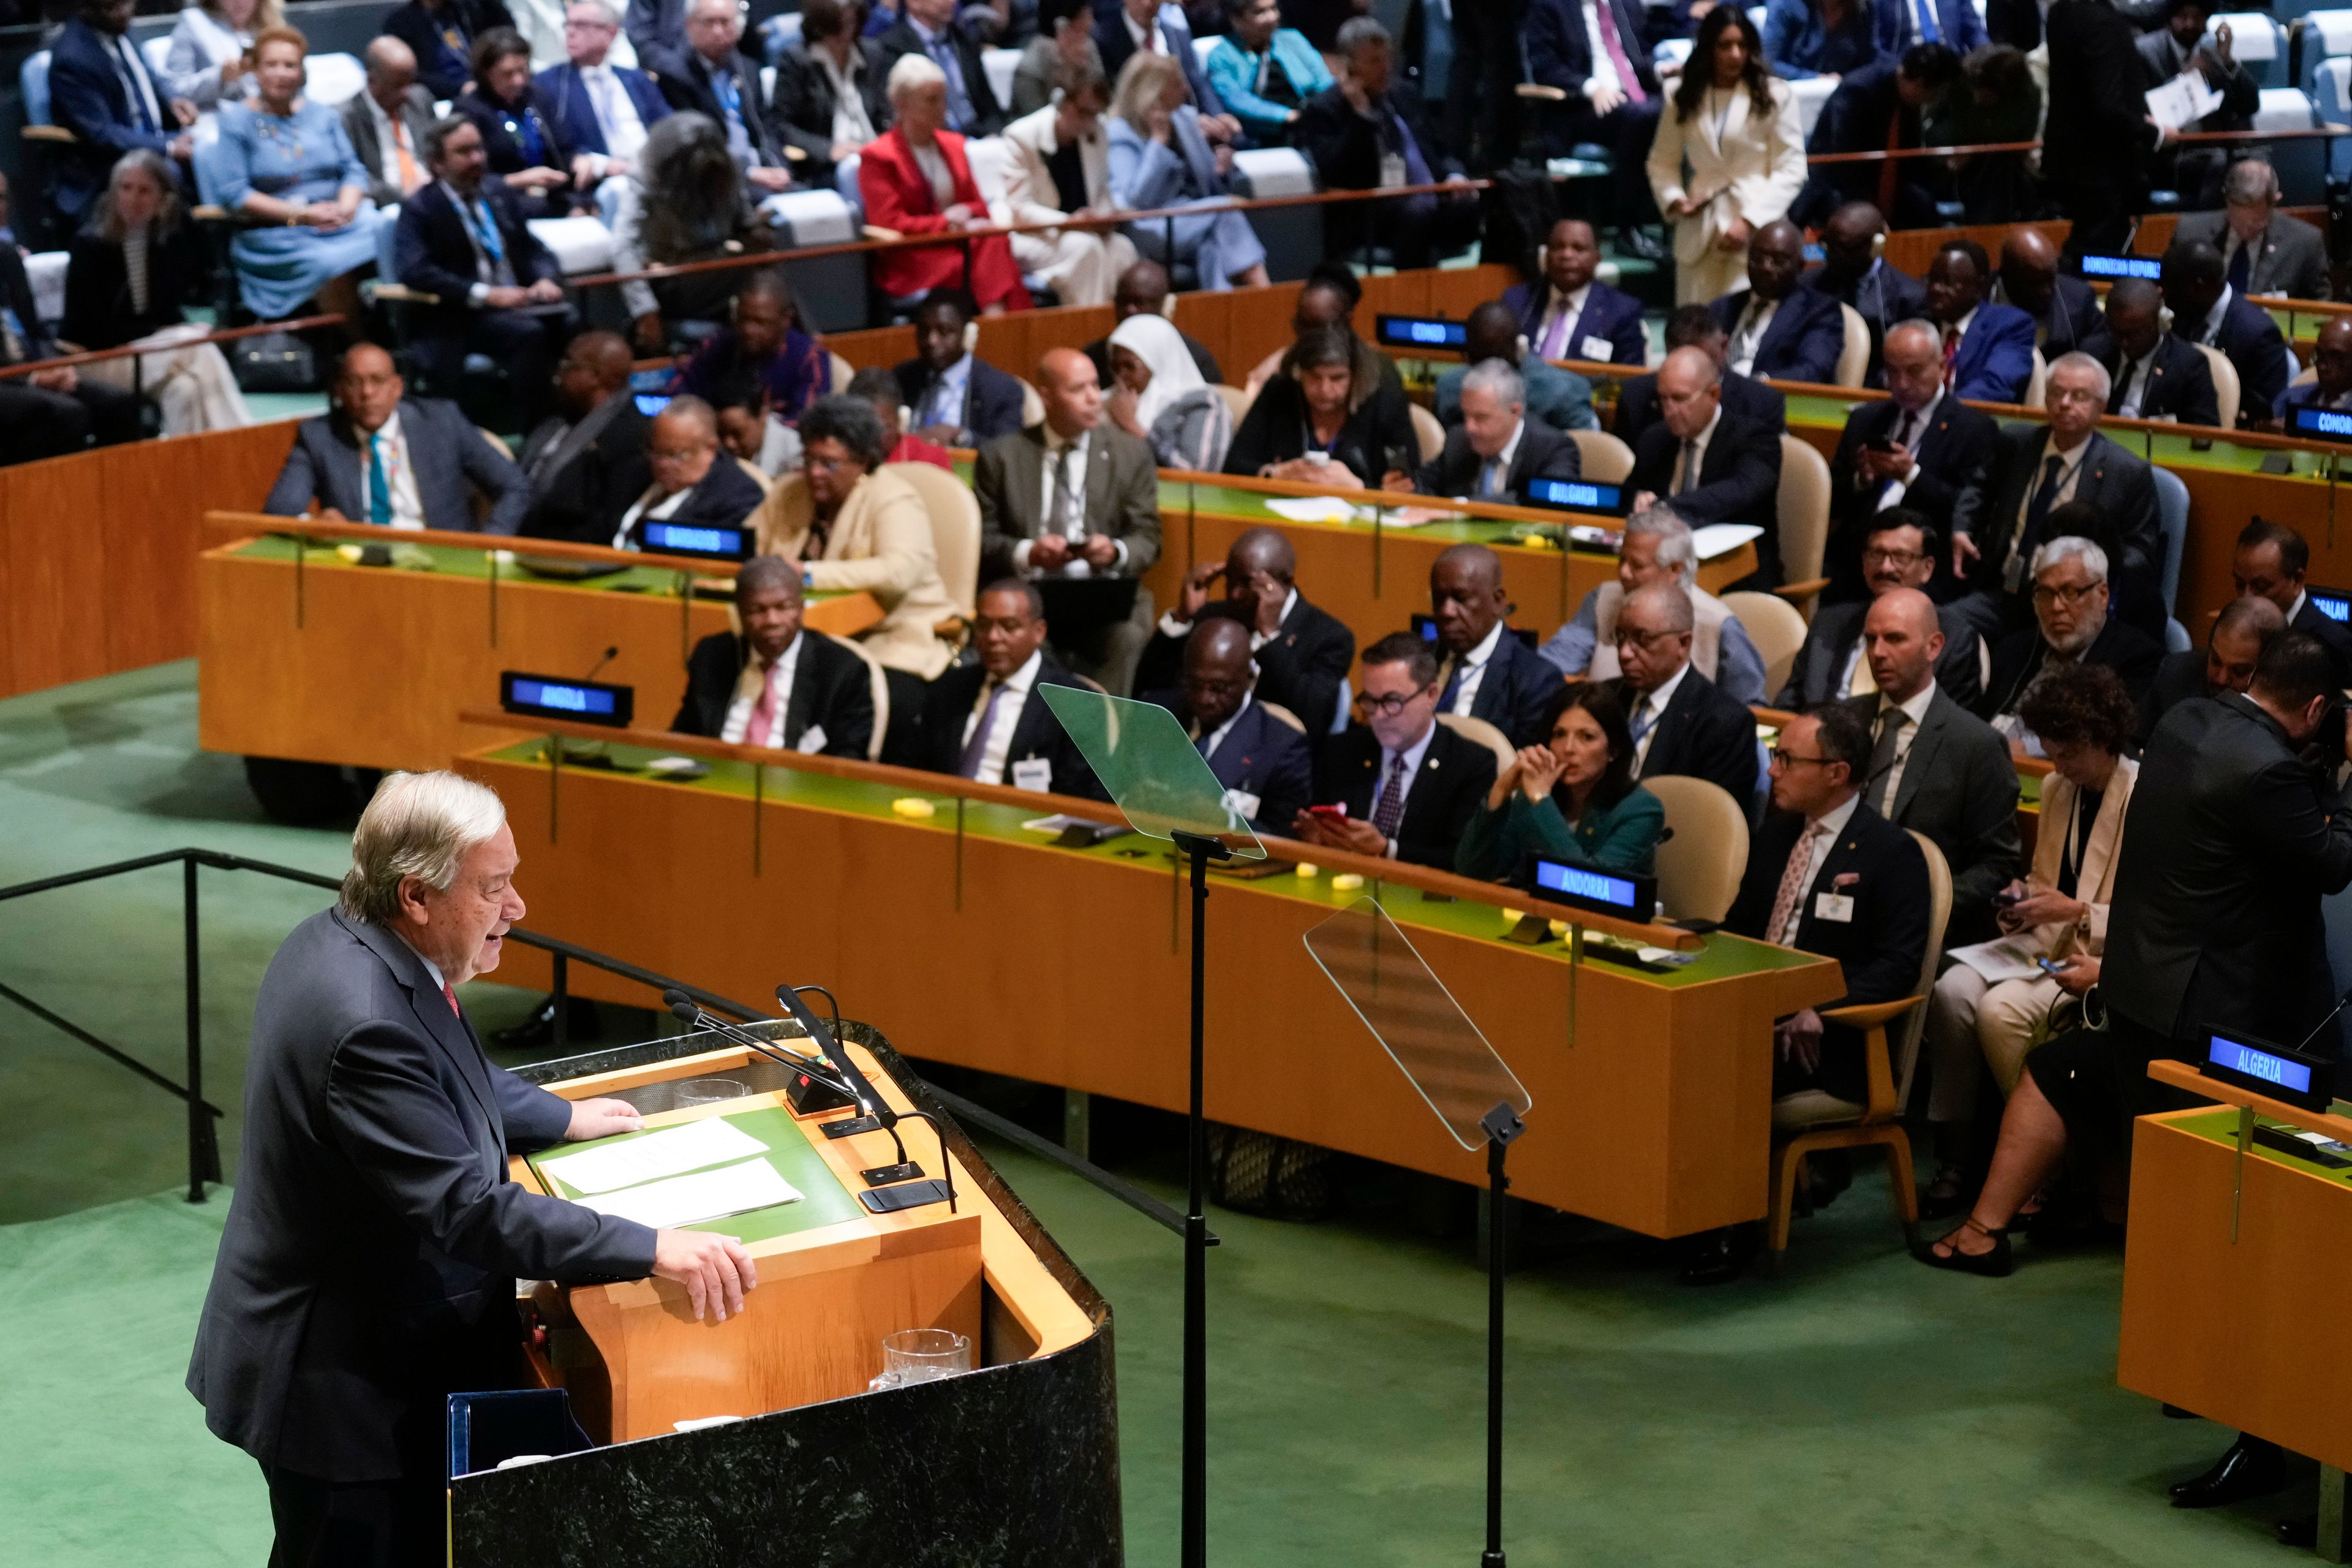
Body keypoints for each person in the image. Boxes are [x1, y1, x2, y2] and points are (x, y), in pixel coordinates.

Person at [187, 770, 748, 1567]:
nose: (517, 909)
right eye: (494, 888)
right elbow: (470, 1211)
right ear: (416, 896)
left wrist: (561, 1116)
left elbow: (443, 1073)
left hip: (366, 1344)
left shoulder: (348, 939)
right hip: (341, 1392)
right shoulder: (365, 1022)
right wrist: (653, 1246)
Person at [1920, 630, 2352, 1306]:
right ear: (2319, 707)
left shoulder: (2183, 722)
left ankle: (2164, 1334)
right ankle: (2203, 1343)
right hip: (2218, 1010)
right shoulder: (2268, 771)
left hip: (2138, 993)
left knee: (2169, 1184)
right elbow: (2332, 864)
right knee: (2215, 1191)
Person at [1694, 702, 1928, 1283]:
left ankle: (1728, 1228)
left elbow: (1897, 967)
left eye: (1786, 760)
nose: (1771, 771)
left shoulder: (1891, 853)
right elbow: (1741, 929)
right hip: (1757, 1013)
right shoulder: (1776, 834)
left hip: (1835, 1039)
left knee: (1725, 1068)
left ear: (1836, 773)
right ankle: (1667, 1205)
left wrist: (1818, 1009)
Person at [1920, 660, 2138, 1211]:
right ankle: (1959, 1149)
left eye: (2069, 753)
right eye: (2053, 753)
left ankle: (2046, 1158)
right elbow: (2046, 882)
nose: (2059, 766)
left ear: (2103, 739)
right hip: (2048, 944)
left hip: (2100, 952)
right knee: (1951, 989)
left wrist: (2077, 912)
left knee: (2000, 1012)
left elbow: (2146, 915)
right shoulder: (2060, 787)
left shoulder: (2143, 796)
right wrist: (2022, 906)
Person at [750, 393, 958, 758]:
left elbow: (898, 572)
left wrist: (807, 574)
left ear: (862, 462)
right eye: (810, 459)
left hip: (891, 637)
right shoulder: (789, 492)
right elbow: (747, 552)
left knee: (867, 700)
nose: (814, 472)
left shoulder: (893, 498)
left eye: (829, 464)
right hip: (804, 637)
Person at [974, 347, 1163, 690]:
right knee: (1009, 633)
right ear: (1046, 396)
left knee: (1127, 636)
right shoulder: (1001, 457)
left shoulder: (1130, 454)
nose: (1094, 398)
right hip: (1032, 593)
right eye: (1079, 390)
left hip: (1104, 595)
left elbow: (1147, 537)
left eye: (1095, 386)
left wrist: (1115, 552)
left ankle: (1101, 739)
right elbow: (982, 541)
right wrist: (1028, 553)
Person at [1842, 586, 2019, 948]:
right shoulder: (1843, 723)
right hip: (1832, 911)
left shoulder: (1975, 744)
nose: (1878, 653)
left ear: (1934, 647)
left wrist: (1923, 904)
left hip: (1913, 932)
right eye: (1870, 639)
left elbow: (1997, 865)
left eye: (1894, 639)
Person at [1954, 352, 2162, 638]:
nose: (2065, 404)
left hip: (2067, 605)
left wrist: (2088, 567)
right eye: (2057, 393)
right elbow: (1979, 487)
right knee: (1943, 625)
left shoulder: (2126, 472)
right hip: (2003, 591)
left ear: (2101, 406)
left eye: (2079, 396)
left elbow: (2140, 555)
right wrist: (1962, 527)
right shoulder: (2017, 443)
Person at [393, 116, 571, 432]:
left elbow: (532, 249)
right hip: (460, 314)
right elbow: (416, 271)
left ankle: (573, 418)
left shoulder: (497, 192)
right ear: (437, 164)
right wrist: (484, 294)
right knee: (529, 334)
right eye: (464, 152)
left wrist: (545, 278)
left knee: (569, 320)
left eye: (478, 149)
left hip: (517, 302)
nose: (477, 159)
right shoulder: (421, 208)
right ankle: (539, 431)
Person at [60, 149, 249, 439]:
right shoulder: (88, 244)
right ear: (113, 192)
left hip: (147, 351)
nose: (133, 199)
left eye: (145, 191)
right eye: (126, 188)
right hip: (94, 358)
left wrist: (170, 330)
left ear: (163, 199)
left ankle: (186, 476)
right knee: (199, 345)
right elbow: (92, 330)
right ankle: (243, 440)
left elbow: (173, 305)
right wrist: (169, 332)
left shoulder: (165, 241)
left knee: (184, 389)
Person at [214, 27, 383, 325]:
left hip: (338, 221)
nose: (282, 73)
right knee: (332, 265)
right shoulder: (236, 121)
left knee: (394, 234)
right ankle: (359, 349)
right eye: (272, 64)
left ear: (301, 71)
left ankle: (400, 334)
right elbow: (234, 193)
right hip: (278, 234)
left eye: (290, 65)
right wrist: (303, 215)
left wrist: (346, 207)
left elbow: (353, 170)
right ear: (255, 70)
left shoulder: (323, 114)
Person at [265, 342, 532, 530]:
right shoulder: (318, 436)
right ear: (340, 391)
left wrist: (487, 548)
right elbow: (279, 510)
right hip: (361, 567)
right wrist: (312, 526)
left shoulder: (443, 422)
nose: (367, 393)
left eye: (377, 381)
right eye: (354, 382)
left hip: (440, 561)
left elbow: (514, 487)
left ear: (397, 388)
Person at [1823, 317, 1996, 599]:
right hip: (1858, 562)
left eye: (1914, 372)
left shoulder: (1975, 430)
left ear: (1942, 367)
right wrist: (1862, 481)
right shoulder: (1865, 420)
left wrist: (1911, 476)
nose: (1902, 384)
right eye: (1892, 372)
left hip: (1927, 566)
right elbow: (1831, 500)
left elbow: (1968, 512)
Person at [1293, 630, 1496, 868]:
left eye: (1392, 702)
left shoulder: (1470, 765)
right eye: (1370, 701)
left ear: (1431, 695)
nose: (1378, 716)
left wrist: (1388, 850)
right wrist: (1320, 841)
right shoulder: (1341, 752)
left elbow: (1462, 860)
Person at [1647, 7, 1807, 305]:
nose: (1735, 54)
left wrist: (1750, 221)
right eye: (1725, 45)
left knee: (1741, 328)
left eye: (1742, 46)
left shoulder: (1775, 95)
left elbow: (1792, 167)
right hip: (1700, 227)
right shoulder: (1680, 93)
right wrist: (1675, 198)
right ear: (1709, 48)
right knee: (1694, 325)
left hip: (1756, 227)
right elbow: (1662, 161)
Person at [1136, 524, 1356, 738]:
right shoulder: (1215, 617)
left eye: (1247, 583)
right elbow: (1146, 688)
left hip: (1276, 758)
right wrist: (1183, 617)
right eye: (1229, 580)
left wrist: (1270, 637)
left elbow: (1311, 717)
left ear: (1285, 583)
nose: (1235, 594)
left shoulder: (1329, 637)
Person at [1293, 17, 1479, 268]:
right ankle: (1410, 298)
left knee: (1496, 200)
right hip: (1371, 211)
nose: (1386, 69)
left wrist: (1455, 175)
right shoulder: (1323, 109)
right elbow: (1336, 172)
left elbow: (1441, 150)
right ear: (1349, 66)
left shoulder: (1404, 93)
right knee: (1417, 214)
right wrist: (1360, 116)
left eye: (1387, 58)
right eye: (1374, 62)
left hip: (1431, 197)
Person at [1543, 505, 1770, 706]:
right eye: (1622, 560)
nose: (1623, 572)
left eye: (1637, 566)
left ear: (1675, 570)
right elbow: (1555, 663)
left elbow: (1749, 708)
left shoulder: (1719, 625)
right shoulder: (1602, 599)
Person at [862, 55, 1032, 312]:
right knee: (992, 248)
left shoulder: (955, 145)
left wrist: (966, 217)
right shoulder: (879, 157)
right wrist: (947, 223)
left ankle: (999, 324)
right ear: (902, 104)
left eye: (943, 98)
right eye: (931, 100)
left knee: (992, 241)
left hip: (964, 246)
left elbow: (978, 207)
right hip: (914, 257)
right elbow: (890, 225)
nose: (943, 107)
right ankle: (1007, 328)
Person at [1456, 681, 1664, 882]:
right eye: (1559, 734)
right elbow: (1473, 870)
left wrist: (1541, 800)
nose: (1568, 749)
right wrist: (1500, 791)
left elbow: (1586, 885)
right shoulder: (1536, 795)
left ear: (1613, 750)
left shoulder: (1641, 811)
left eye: (1587, 737)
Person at [916, 577, 1105, 794]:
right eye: (984, 626)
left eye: (1009, 627)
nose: (994, 637)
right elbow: (914, 765)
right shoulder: (950, 686)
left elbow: (1080, 793)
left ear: (1039, 632)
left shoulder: (1073, 703)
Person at [673, 555, 876, 757]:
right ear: (739, 614)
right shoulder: (712, 655)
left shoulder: (841, 671)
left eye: (783, 607)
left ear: (801, 609)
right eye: (757, 610)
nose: (772, 620)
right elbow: (683, 738)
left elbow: (847, 761)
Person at [1106, 52, 1272, 292]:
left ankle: (1219, 319)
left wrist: (1222, 169)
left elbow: (1209, 186)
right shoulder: (1119, 132)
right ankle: (1264, 293)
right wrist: (1158, 142)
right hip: (1152, 225)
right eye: (1176, 83)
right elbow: (1136, 202)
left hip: (1196, 218)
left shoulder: (1184, 118)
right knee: (1225, 211)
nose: (1185, 88)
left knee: (1213, 247)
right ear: (1155, 91)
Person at [611, 112, 776, 353]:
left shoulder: (726, 169)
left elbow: (744, 223)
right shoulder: (645, 178)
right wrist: (645, 311)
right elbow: (623, 246)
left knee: (773, 270)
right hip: (675, 279)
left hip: (720, 268)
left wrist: (758, 230)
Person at [1785, 512, 1983, 706]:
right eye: (1877, 554)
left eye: (1900, 556)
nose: (1886, 567)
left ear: (1927, 569)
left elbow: (1949, 729)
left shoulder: (1955, 639)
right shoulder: (1829, 622)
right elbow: (1788, 704)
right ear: (1864, 562)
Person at [1139, 617, 1314, 836]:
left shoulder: (1282, 744)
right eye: (1195, 685)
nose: (1205, 699)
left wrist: (1226, 821)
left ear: (1250, 678)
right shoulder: (1161, 715)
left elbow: (1287, 835)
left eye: (1219, 688)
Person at [1626, 346, 1784, 584]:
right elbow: (1630, 491)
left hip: (1737, 576)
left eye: (1679, 398)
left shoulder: (1756, 439)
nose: (1669, 411)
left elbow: (1737, 492)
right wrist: (1637, 498)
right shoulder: (1655, 439)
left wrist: (1662, 509)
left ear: (1713, 394)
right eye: (1663, 399)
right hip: (1659, 573)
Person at [1522, 0, 1666, 257]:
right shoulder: (1549, 7)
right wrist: (1590, 87)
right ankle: (1628, 229)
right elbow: (1545, 67)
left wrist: (1658, 70)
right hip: (1581, 108)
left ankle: (1677, 223)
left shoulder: (1626, 5)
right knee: (1642, 116)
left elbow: (1640, 55)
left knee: (1679, 108)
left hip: (1635, 99)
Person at [1980, 535, 2164, 731]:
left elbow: (2115, 743)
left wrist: (2030, 749)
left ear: (2102, 595)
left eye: (2070, 593)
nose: (2056, 606)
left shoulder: (2137, 660)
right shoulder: (2013, 651)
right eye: (2046, 593)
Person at [1606, 581, 1760, 805]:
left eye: (1642, 639)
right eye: (1620, 637)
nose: (1625, 653)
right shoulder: (1606, 699)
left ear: (1684, 643)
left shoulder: (1724, 724)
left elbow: (1711, 819)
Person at [48, 0, 194, 230]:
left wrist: (172, 100)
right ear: (88, 8)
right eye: (113, 7)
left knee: (212, 151)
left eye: (127, 5)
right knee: (169, 173)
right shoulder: (72, 58)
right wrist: (170, 147)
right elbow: (102, 134)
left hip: (153, 139)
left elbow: (147, 77)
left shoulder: (118, 29)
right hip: (106, 163)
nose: (125, 13)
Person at [0, 239, 148, 466]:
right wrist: (33, 379)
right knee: (66, 415)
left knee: (117, 403)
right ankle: (63, 499)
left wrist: (54, 366)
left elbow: (33, 330)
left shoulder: (6, 253)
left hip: (26, 366)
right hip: (7, 379)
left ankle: (122, 491)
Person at [1001, 60, 1136, 309]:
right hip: (1035, 236)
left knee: (1123, 248)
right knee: (1085, 248)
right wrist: (1067, 222)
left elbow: (1102, 192)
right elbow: (1019, 208)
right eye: (1083, 113)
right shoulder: (1021, 136)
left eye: (1095, 115)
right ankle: (1088, 332)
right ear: (1062, 103)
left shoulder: (1097, 133)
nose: (1089, 123)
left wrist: (1104, 217)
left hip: (1084, 231)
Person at [1224, 321, 1417, 487]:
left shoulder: (1384, 399)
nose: (1325, 390)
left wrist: (1359, 488)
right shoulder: (1280, 391)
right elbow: (1234, 465)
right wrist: (1274, 474)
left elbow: (1410, 483)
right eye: (1315, 377)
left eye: (1337, 378)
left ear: (1356, 375)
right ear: (1299, 373)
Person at [1793, 45, 1959, 234]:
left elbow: (1911, 159)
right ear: (1920, 83)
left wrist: (1945, 166)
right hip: (1839, 183)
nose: (1933, 100)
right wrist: (1871, 215)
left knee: (1923, 206)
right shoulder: (1858, 91)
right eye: (1935, 94)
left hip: (1883, 179)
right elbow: (1843, 161)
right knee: (1854, 221)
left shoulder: (1905, 96)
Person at [1415, 541, 1562, 748]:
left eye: (1461, 599)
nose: (1446, 611)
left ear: (1498, 601)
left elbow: (1523, 767)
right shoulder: (1417, 660)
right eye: (1439, 599)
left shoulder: (1536, 680)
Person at [2043, 0, 2157, 263]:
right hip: (2104, 168)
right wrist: (2155, 133)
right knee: (2101, 263)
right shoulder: (2103, 22)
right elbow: (2109, 107)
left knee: (2101, 255)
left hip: (2071, 162)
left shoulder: (2062, 12)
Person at [516, 330, 653, 543]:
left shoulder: (629, 437)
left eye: (567, 365)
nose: (557, 376)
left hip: (567, 553)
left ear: (596, 377)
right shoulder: (555, 420)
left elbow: (610, 524)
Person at [1390, 359, 1583, 507]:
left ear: (1515, 412)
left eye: (1481, 417)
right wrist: (1404, 488)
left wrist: (1462, 507)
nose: (1469, 427)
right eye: (1466, 415)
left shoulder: (1554, 449)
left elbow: (1546, 501)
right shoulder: (1459, 440)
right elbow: (1426, 485)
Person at [655, 0, 795, 191]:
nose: (718, 31)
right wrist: (747, 173)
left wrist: (778, 167)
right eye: (709, 22)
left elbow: (766, 127)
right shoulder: (675, 76)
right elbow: (693, 145)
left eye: (725, 22)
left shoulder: (748, 69)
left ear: (738, 26)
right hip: (714, 180)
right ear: (689, 25)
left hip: (763, 169)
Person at [535, 0, 673, 194]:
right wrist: (600, 164)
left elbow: (668, 126)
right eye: (568, 24)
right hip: (604, 182)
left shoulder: (637, 79)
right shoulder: (549, 84)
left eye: (581, 25)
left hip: (652, 169)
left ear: (610, 33)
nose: (571, 32)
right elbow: (558, 146)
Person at [674, 267, 832, 431]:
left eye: (760, 322)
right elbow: (678, 394)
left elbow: (807, 424)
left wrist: (756, 430)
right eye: (743, 319)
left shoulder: (809, 358)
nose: (748, 330)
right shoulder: (719, 345)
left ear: (786, 320)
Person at [2139, 2, 2260, 215]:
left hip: (2210, 147)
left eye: (2197, 17)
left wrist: (2228, 61)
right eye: (2183, 16)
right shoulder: (2146, 52)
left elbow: (2251, 104)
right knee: (2217, 161)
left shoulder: (2211, 51)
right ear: (2170, 19)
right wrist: (2185, 79)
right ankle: (2206, 229)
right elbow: (2144, 110)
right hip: (2166, 155)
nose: (2190, 24)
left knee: (2255, 163)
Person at [1613, 303, 1786, 450]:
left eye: (1700, 359)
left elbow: (1757, 482)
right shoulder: (1636, 397)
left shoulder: (1762, 405)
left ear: (1724, 346)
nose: (1691, 371)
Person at [2163, 237, 2291, 428]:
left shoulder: (2259, 335)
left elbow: (2261, 417)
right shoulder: (2185, 313)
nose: (2164, 296)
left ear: (2199, 286)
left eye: (2170, 287)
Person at [612, 395, 767, 548]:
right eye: (658, 452)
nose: (662, 464)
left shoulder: (738, 497)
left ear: (710, 449)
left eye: (675, 455)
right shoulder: (638, 476)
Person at [769, 0, 892, 189]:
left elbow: (886, 113)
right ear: (819, 27)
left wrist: (881, 143)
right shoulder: (797, 60)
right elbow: (780, 125)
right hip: (826, 165)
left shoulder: (872, 53)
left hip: (874, 152)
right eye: (838, 25)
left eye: (851, 23)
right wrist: (829, 150)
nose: (846, 32)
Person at [455, 28, 576, 221]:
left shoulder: (537, 97)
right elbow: (467, 178)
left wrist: (580, 160)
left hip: (553, 193)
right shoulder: (469, 111)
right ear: (486, 74)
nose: (518, 81)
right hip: (504, 201)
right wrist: (520, 181)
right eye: (507, 74)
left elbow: (565, 149)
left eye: (523, 70)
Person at [1803, 200, 1925, 386]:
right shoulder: (1807, 284)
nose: (1832, 256)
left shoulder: (1909, 298)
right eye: (1827, 244)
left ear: (1875, 247)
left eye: (1844, 248)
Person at [1708, 218, 1845, 384]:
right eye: (1757, 257)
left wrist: (1756, 385)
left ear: (1800, 266)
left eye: (1778, 261)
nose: (1765, 267)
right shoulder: (1722, 307)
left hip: (1775, 402)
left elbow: (1811, 371)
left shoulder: (1819, 312)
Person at [1239, 261, 1401, 400]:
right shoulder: (1277, 372)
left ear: (1346, 321)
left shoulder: (1378, 371)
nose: (1310, 338)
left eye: (1319, 328)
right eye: (1303, 326)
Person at [2175, 157, 2327, 304]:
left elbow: (2320, 310)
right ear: (2227, 201)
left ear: (2275, 202)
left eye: (2256, 223)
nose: (2246, 231)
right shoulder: (2189, 233)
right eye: (2238, 222)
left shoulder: (2305, 243)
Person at [1502, 217, 1649, 368]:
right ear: (1546, 255)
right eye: (1558, 247)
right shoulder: (1517, 301)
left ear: (1597, 258)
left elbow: (1631, 378)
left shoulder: (1621, 312)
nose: (1567, 255)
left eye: (1578, 249)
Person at [1434, 301, 1598, 435]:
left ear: (1467, 355)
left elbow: (1585, 457)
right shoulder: (1450, 389)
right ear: (1520, 347)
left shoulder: (1565, 393)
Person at [891, 288, 1028, 445]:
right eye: (924, 330)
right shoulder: (902, 377)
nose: (931, 340)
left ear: (968, 334)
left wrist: (962, 437)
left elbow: (1008, 452)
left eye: (944, 331)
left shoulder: (1001, 390)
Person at [1104, 310, 1232, 469]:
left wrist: (1132, 427)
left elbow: (1197, 474)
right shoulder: (1106, 401)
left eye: (1130, 366)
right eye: (1115, 367)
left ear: (1157, 362)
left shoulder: (1203, 403)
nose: (1121, 376)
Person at [2231, 517, 2352, 684]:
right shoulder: (2233, 627)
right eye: (2239, 584)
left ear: (2297, 580)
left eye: (2261, 587)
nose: (2246, 598)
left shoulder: (2332, 646)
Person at [2097, 276, 2220, 430]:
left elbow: (2206, 434)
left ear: (2159, 323)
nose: (2124, 343)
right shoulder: (2095, 354)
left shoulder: (2190, 366)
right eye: (2117, 333)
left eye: (2134, 334)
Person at [1920, 238, 2034, 404]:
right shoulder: (1919, 322)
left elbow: (1996, 386)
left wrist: (1941, 414)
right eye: (1933, 279)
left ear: (1979, 287)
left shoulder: (2010, 325)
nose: (1935, 288)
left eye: (1948, 282)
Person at [1095, 0, 1235, 130]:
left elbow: (1196, 81)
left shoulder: (1176, 34)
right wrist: (1187, 123)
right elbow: (1118, 100)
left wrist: (1218, 117)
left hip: (1191, 123)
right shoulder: (1104, 40)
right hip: (1141, 130)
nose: (1147, 4)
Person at [875, 0, 1008, 137]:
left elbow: (989, 105)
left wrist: (995, 134)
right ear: (914, 3)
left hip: (980, 135)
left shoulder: (963, 39)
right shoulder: (891, 47)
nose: (952, 2)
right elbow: (894, 113)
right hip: (932, 139)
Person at [1207, 0, 1333, 145]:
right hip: (1263, 133)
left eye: (1274, 9)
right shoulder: (1221, 56)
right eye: (1260, 12)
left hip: (1310, 119)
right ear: (1236, 20)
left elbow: (1324, 82)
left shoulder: (1293, 39)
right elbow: (1236, 100)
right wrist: (1287, 116)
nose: (1272, 17)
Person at [1084, 258, 1223, 387]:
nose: (1130, 310)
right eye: (1123, 301)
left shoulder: (1195, 358)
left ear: (1166, 306)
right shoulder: (1095, 357)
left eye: (1140, 303)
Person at [342, 37, 437, 209]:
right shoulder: (346, 118)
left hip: (433, 195)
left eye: (410, 82)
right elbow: (352, 177)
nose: (407, 93)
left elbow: (438, 151)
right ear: (372, 80)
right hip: (387, 205)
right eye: (398, 85)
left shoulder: (420, 99)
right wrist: (402, 194)